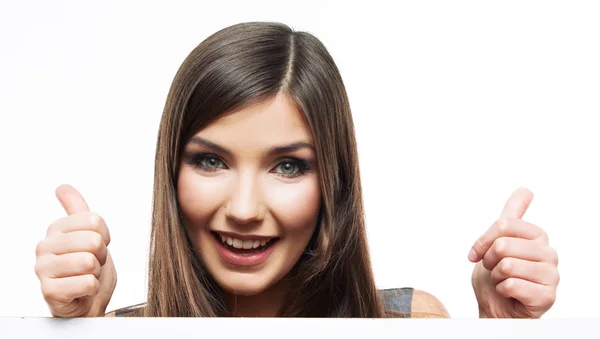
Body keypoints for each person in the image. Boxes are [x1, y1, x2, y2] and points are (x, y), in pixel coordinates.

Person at [33, 22, 560, 318]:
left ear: (333, 183)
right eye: (210, 161)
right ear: (171, 173)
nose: (242, 210)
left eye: (287, 166)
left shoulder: (407, 326)